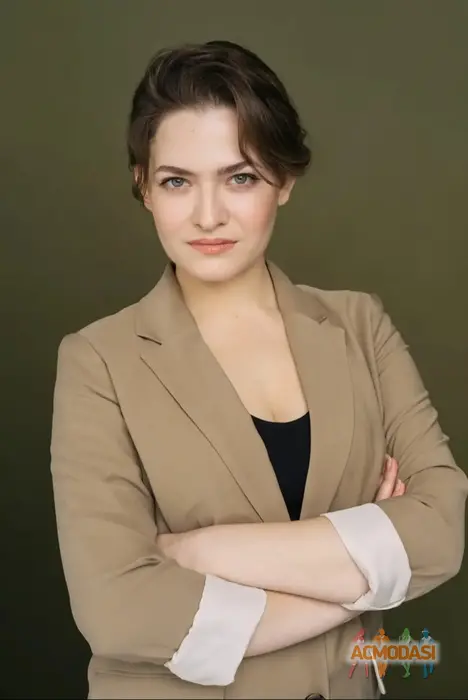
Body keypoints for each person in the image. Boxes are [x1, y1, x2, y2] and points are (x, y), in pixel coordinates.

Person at [50, 40, 468, 700]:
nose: (208, 214)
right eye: (177, 181)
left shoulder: (360, 325)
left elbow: (440, 532)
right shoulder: (97, 361)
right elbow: (119, 610)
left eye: (240, 177)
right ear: (144, 187)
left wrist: (202, 551)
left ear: (285, 180)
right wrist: (366, 574)